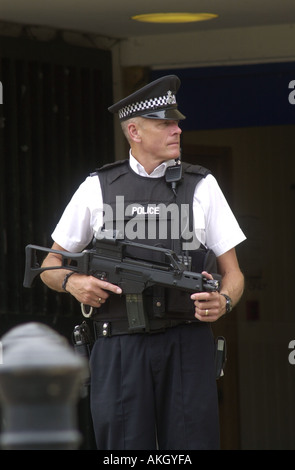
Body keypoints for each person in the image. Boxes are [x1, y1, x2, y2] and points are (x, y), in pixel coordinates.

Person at [40, 75, 246, 450]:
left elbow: (233, 273)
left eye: (177, 122)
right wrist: (74, 283)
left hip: (186, 341)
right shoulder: (97, 186)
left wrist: (225, 301)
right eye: (165, 123)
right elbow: (51, 263)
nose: (177, 130)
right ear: (134, 131)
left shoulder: (202, 185)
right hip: (118, 345)